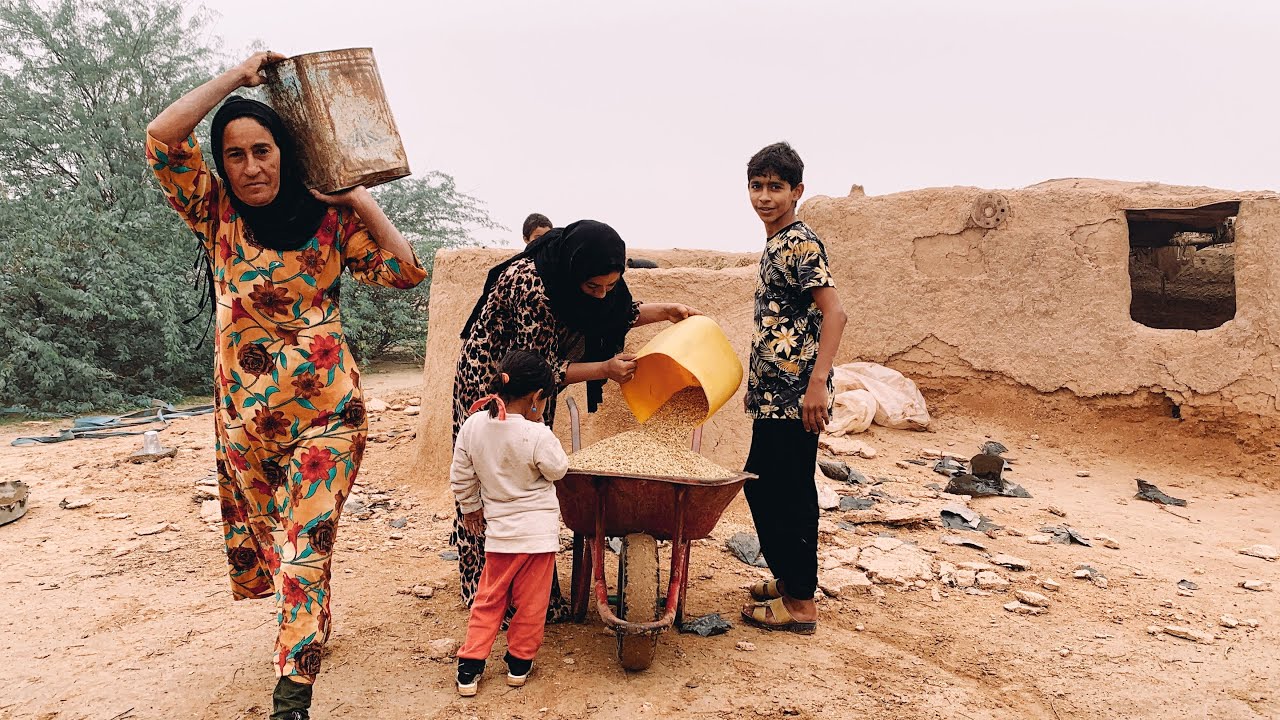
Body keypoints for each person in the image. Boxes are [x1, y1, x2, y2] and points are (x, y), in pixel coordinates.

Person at [146, 52, 427, 719]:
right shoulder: (213, 212)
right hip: (245, 425)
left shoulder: (329, 223)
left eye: (263, 151)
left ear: (285, 152)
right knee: (283, 550)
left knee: (306, 548)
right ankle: (307, 628)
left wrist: (356, 196)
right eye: (236, 155)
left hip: (329, 417)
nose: (251, 167)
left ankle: (291, 694)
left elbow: (407, 272)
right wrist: (234, 80)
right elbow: (162, 137)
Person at [452, 219, 698, 618]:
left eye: (610, 286)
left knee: (527, 481)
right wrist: (604, 369)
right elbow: (536, 364)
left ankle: (534, 594)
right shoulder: (532, 285)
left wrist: (665, 311)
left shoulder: (589, 283)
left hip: (534, 394)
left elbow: (616, 313)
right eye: (593, 287)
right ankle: (486, 591)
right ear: (574, 272)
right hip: (494, 381)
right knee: (491, 478)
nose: (602, 296)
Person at [739, 142, 847, 634]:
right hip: (773, 393)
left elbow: (835, 312)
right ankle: (788, 580)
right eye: (757, 186)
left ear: (797, 191)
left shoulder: (801, 243)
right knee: (762, 485)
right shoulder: (777, 242)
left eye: (776, 188)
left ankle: (801, 603)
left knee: (790, 492)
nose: (765, 197)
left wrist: (817, 383)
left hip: (797, 394)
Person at [450, 351, 569, 696]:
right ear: (536, 398)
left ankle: (469, 667)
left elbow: (461, 475)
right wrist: (543, 430)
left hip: (499, 538)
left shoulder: (473, 425)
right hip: (536, 540)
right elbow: (558, 469)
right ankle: (519, 663)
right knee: (532, 605)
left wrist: (471, 508)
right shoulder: (537, 434)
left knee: (488, 599)